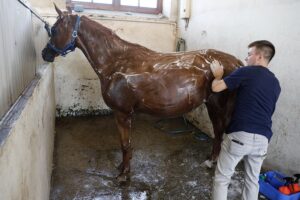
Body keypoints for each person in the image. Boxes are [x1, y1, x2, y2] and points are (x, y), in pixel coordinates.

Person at [210, 40, 281, 200]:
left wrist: (218, 76)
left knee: (222, 178)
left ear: (259, 56)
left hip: (240, 135)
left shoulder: (247, 71)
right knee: (252, 181)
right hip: (263, 139)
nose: (246, 57)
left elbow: (216, 88)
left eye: (249, 54)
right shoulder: (276, 83)